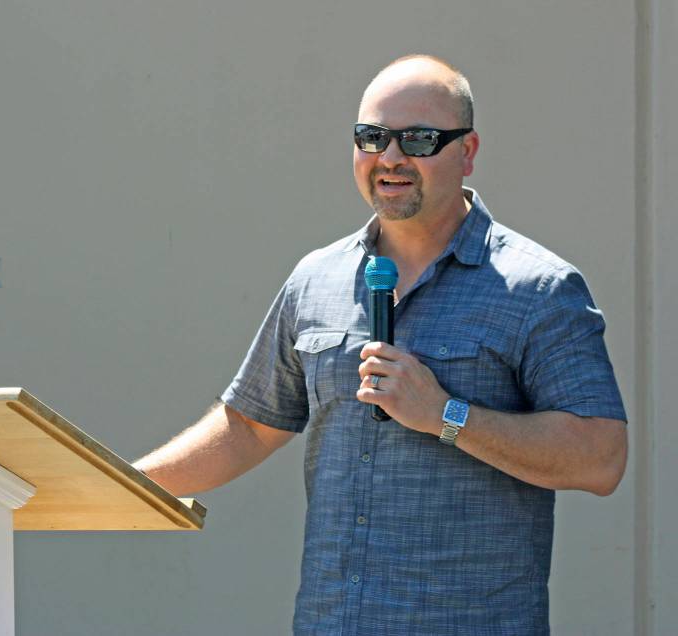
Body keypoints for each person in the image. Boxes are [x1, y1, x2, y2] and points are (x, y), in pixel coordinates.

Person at [133, 54, 628, 635]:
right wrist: (115, 481)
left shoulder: (538, 288)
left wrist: (445, 414)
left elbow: (601, 458)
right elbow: (248, 426)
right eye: (373, 137)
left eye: (418, 139)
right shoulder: (315, 279)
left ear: (467, 152)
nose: (390, 158)